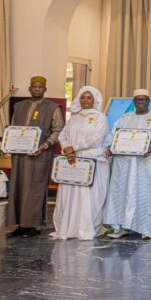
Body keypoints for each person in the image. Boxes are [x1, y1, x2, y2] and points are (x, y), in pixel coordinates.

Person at [104, 89, 151, 240]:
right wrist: (110, 147)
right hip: (123, 164)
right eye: (138, 99)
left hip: (144, 164)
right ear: (133, 101)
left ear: (148, 101)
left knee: (145, 194)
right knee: (121, 194)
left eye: (144, 99)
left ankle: (147, 229)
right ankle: (120, 227)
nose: (141, 102)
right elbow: (113, 135)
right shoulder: (124, 117)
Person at [5, 76, 64, 238]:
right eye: (34, 87)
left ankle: (33, 226)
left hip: (40, 155)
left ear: (45, 89)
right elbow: (13, 128)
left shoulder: (53, 107)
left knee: (34, 189)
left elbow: (58, 130)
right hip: (19, 155)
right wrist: (7, 145)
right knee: (18, 186)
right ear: (30, 88)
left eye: (40, 87)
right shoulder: (18, 106)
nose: (37, 89)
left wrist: (44, 146)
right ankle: (20, 225)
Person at [50, 86, 108, 240]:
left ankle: (85, 228)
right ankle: (68, 227)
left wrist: (73, 148)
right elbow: (63, 135)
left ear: (95, 100)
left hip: (91, 159)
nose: (85, 100)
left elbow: (96, 138)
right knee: (69, 195)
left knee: (88, 197)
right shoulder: (74, 117)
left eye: (89, 98)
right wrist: (67, 149)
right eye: (83, 97)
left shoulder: (100, 117)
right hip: (71, 159)